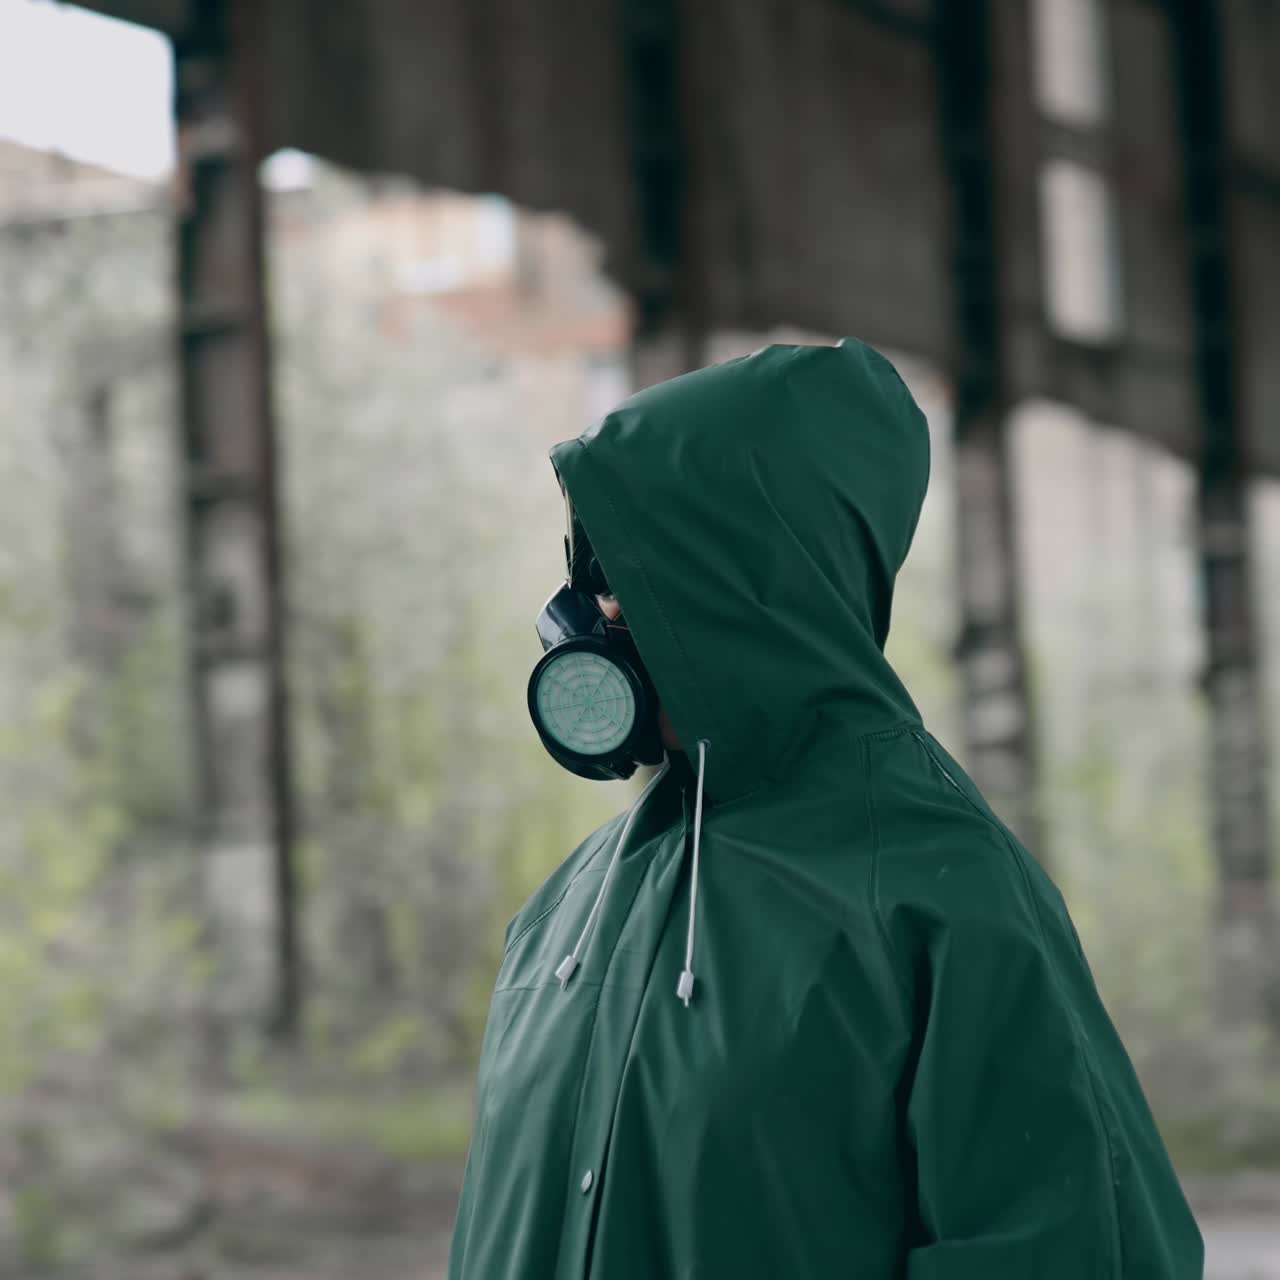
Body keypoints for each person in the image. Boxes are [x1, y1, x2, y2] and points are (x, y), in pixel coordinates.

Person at [448, 339, 1205, 1278]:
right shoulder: (571, 905)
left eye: (629, 583)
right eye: (593, 581)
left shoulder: (948, 900)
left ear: (749, 585)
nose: (589, 620)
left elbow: (1078, 1254)